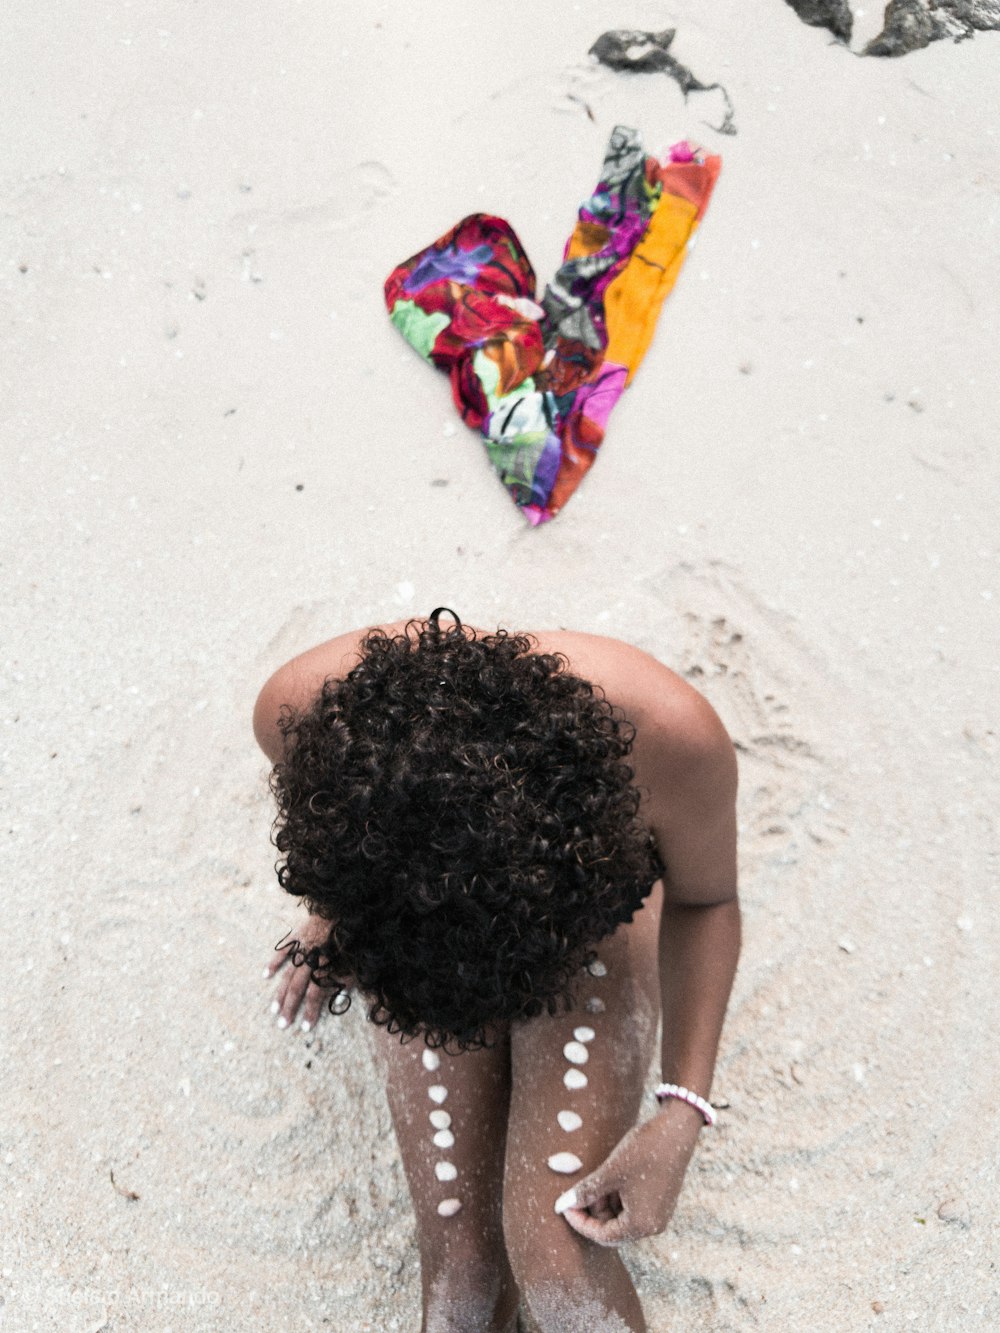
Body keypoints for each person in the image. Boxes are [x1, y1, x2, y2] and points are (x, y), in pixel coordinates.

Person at [253, 609, 740, 1333]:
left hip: (588, 924)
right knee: (461, 1285)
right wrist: (343, 906)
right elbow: (325, 814)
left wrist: (681, 1111)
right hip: (422, 916)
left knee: (558, 1261)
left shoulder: (669, 737)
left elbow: (708, 901)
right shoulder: (305, 708)